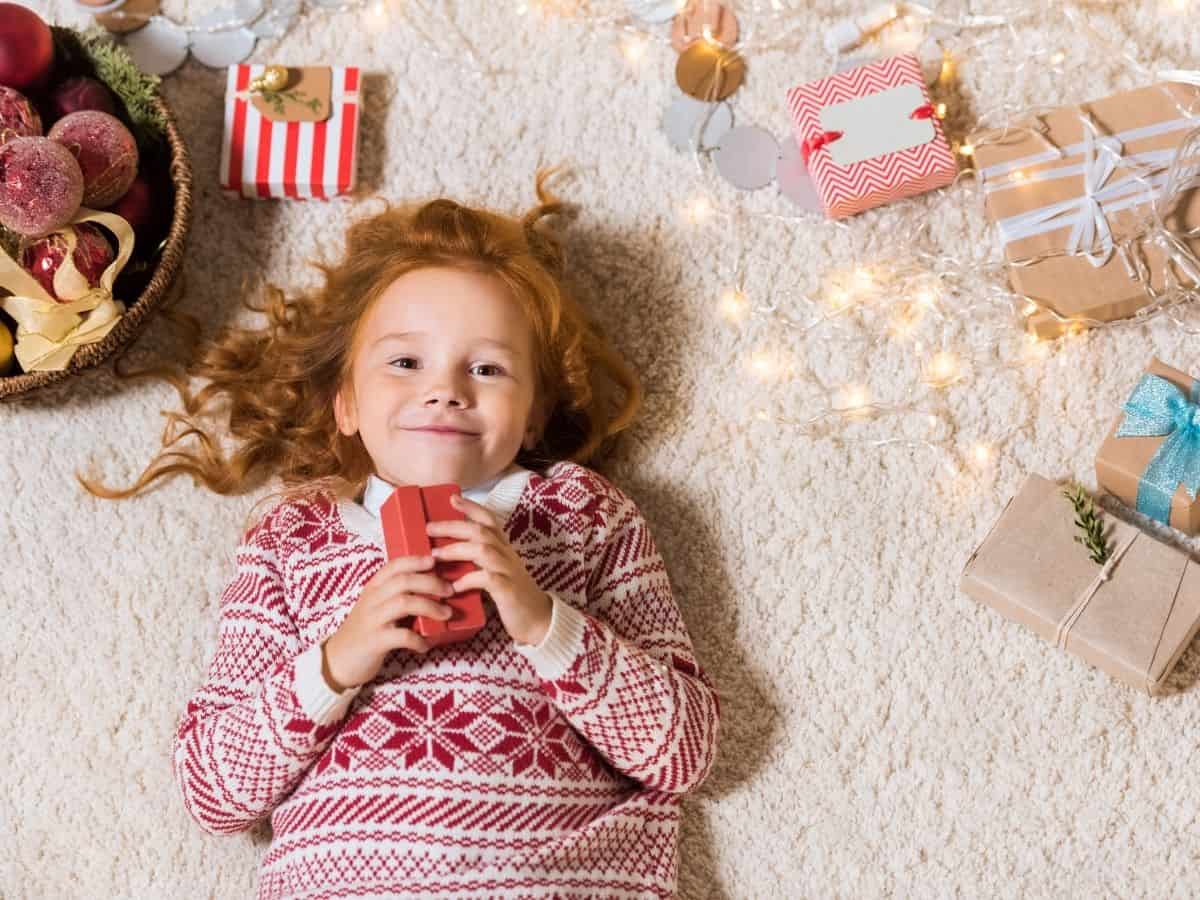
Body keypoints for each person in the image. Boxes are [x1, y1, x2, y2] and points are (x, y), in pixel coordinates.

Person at [83, 172, 720, 899]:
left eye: (487, 367)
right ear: (347, 402)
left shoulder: (582, 514)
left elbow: (685, 753)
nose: (445, 389)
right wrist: (337, 661)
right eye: (405, 362)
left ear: (536, 413)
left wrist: (545, 621)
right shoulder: (293, 537)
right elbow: (212, 792)